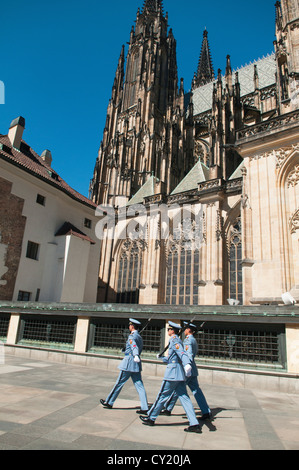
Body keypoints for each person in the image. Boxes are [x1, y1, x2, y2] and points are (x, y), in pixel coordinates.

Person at [140, 321, 201, 433]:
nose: (168, 330)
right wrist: (161, 357)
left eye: (169, 329)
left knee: (162, 395)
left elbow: (182, 353)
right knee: (184, 398)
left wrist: (187, 363)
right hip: (179, 374)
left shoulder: (175, 340)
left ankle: (151, 417)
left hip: (173, 374)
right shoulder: (175, 340)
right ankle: (194, 423)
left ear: (173, 331)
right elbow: (171, 357)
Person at [161, 322, 211, 420]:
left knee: (178, 389)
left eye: (186, 329)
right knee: (196, 391)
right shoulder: (193, 340)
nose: (184, 331)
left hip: (188, 370)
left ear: (188, 330)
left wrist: (186, 367)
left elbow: (189, 355)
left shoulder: (188, 341)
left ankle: (168, 408)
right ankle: (206, 411)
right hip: (193, 370)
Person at [100, 318, 149, 413]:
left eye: (130, 325)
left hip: (129, 362)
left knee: (119, 383)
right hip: (136, 363)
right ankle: (145, 407)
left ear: (132, 326)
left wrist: (134, 354)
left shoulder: (132, 336)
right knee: (140, 386)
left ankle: (109, 401)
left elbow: (134, 346)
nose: (129, 327)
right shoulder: (139, 337)